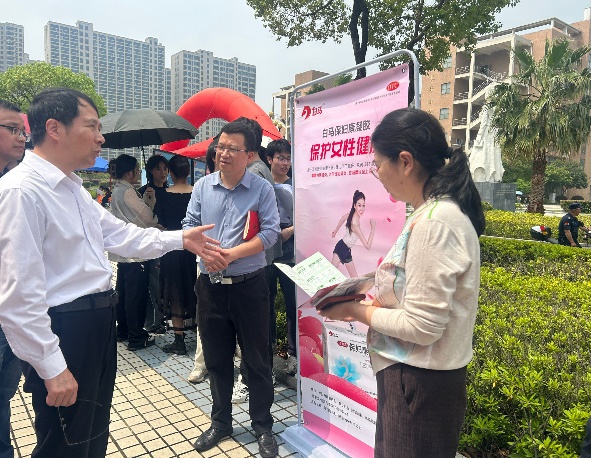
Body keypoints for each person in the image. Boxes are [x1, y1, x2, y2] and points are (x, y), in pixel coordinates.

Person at [0, 87, 221, 458]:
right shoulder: (22, 191)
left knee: (92, 435)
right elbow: (18, 297)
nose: (100, 138)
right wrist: (52, 367)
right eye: (92, 126)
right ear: (54, 128)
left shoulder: (72, 188)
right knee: (65, 443)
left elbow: (122, 237)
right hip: (65, 329)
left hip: (96, 324)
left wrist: (181, 239)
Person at [318, 108, 485, 457]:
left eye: (378, 164)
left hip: (418, 383)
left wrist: (353, 310)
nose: (377, 174)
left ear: (405, 162)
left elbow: (422, 327)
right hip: (418, 379)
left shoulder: (435, 222)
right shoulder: (434, 214)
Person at [183, 119, 280, 458]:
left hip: (249, 287)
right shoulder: (202, 186)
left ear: (250, 154)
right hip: (210, 287)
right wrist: (206, 254)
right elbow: (189, 226)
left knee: (257, 359)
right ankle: (221, 422)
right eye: (220, 146)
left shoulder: (261, 189)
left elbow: (270, 233)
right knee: (216, 359)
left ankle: (262, 425)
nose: (222, 153)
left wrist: (230, 255)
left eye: (231, 149)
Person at [231, 117, 282, 404]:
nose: (226, 153)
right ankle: (260, 374)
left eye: (233, 146)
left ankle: (252, 378)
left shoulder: (255, 175)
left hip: (256, 262)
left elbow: (254, 228)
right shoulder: (258, 170)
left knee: (254, 325)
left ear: (247, 148)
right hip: (259, 260)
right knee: (260, 322)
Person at [108, 154, 162, 351]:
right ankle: (137, 337)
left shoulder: (117, 189)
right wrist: (154, 216)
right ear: (129, 172)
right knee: (135, 296)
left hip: (123, 251)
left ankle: (123, 330)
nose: (138, 173)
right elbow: (145, 217)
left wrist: (147, 199)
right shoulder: (128, 192)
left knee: (123, 293)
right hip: (135, 252)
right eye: (137, 170)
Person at [0, 99, 27, 458]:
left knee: (4, 393)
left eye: (23, 131)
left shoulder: (15, 183)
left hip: (13, 313)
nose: (21, 137)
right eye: (12, 129)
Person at [157, 154, 197, 355]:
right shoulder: (196, 192)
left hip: (172, 248)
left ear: (171, 173)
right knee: (195, 288)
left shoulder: (163, 195)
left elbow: (161, 222)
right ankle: (201, 336)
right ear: (188, 172)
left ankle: (179, 340)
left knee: (174, 292)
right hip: (194, 249)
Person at [265, 139, 298, 375]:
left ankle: (294, 354)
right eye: (280, 158)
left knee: (292, 301)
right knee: (266, 302)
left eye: (288, 158)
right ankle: (269, 351)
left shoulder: (297, 184)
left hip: (290, 249)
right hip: (266, 249)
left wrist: (291, 230)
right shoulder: (261, 183)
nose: (285, 163)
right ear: (270, 159)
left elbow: (308, 214)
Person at [188, 140, 219, 383]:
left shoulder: (251, 187)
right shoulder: (202, 187)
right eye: (221, 152)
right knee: (206, 319)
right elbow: (190, 224)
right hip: (208, 265)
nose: (227, 157)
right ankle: (201, 364)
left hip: (240, 268)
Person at [138, 155, 170, 334]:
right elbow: (141, 220)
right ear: (150, 170)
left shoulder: (170, 190)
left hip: (170, 242)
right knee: (155, 282)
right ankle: (155, 321)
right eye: (158, 168)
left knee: (167, 281)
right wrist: (147, 202)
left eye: (165, 168)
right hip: (152, 243)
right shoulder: (143, 192)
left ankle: (169, 315)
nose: (163, 172)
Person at [331, 190, 376, 277]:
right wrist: (373, 228)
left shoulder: (351, 215)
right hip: (342, 248)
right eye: (359, 205)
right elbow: (368, 246)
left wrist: (335, 231)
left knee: (353, 277)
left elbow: (343, 218)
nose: (361, 208)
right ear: (355, 205)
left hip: (343, 247)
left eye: (363, 205)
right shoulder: (355, 225)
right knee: (334, 274)